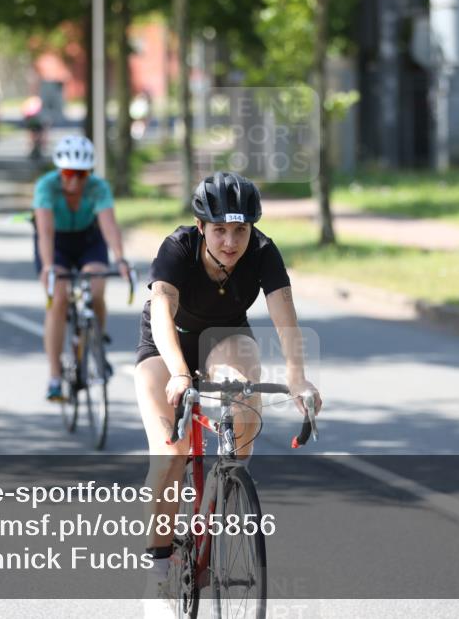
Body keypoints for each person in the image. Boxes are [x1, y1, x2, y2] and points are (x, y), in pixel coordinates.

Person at [133, 171, 322, 606]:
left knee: (241, 415)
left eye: (240, 230)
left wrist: (297, 375)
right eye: (219, 230)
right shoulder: (176, 249)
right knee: (170, 454)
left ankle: (225, 482)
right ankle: (159, 571)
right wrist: (181, 373)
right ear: (201, 228)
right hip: (168, 341)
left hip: (225, 334)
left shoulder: (262, 252)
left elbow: (283, 310)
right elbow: (162, 310)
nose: (230, 242)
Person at [33, 135, 131, 402]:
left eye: (81, 174)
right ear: (59, 170)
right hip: (57, 244)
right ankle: (54, 376)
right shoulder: (46, 187)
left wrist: (120, 258)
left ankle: (94, 345)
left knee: (96, 287)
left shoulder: (98, 187)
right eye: (68, 173)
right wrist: (49, 267)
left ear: (89, 173)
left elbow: (109, 226)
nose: (74, 181)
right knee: (59, 299)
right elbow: (44, 233)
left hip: (89, 239)